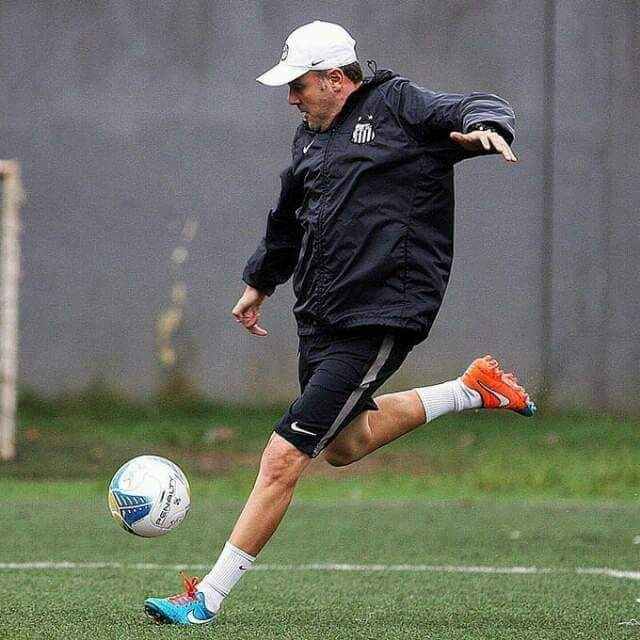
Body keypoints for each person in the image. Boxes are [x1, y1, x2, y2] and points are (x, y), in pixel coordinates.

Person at [144, 20, 535, 625]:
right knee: (346, 445)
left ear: (335, 78)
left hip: (382, 313)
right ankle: (471, 388)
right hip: (320, 316)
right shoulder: (309, 137)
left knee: (283, 456)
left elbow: (478, 104)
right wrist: (260, 280)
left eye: (299, 85)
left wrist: (491, 126)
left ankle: (205, 599)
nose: (291, 98)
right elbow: (288, 217)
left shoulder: (399, 105)